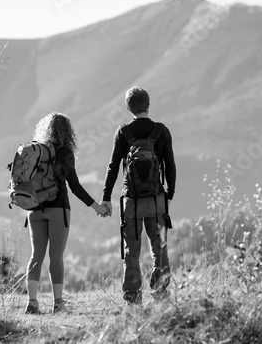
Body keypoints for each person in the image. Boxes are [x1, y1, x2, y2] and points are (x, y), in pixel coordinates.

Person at [24, 112, 109, 315]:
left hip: (34, 210)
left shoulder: (35, 151)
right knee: (56, 257)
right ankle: (58, 304)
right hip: (58, 209)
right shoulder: (64, 152)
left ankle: (32, 303)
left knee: (36, 256)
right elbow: (75, 186)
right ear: (67, 131)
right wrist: (96, 207)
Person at [101, 86, 176, 304]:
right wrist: (169, 194)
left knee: (131, 251)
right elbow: (170, 166)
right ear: (148, 104)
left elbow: (113, 167)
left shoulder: (123, 132)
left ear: (128, 107)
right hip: (156, 199)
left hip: (131, 202)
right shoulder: (161, 131)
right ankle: (160, 291)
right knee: (159, 247)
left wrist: (106, 197)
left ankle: (133, 298)